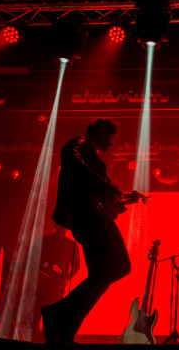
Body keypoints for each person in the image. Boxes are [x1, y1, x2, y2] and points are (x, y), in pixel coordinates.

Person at [41, 118, 141, 344]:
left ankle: (63, 326)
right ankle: (57, 315)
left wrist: (125, 200)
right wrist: (107, 187)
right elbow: (76, 167)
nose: (113, 144)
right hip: (88, 220)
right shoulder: (77, 146)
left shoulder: (92, 158)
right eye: (111, 138)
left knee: (101, 276)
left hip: (92, 219)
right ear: (101, 133)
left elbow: (101, 199)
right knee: (119, 268)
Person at [29, 224, 80, 343]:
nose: (63, 228)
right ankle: (39, 338)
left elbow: (76, 266)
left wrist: (67, 278)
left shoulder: (71, 244)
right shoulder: (44, 240)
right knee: (37, 312)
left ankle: (45, 339)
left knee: (52, 314)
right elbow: (33, 258)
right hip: (41, 282)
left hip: (57, 285)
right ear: (55, 226)